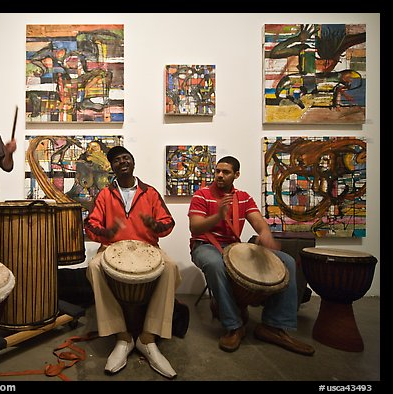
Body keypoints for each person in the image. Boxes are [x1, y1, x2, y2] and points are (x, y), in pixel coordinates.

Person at [188, 156, 315, 356]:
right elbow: (195, 227)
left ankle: (273, 325)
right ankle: (233, 326)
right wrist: (218, 216)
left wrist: (265, 235)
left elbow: (259, 223)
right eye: (218, 171)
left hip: (234, 246)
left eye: (226, 172)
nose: (220, 175)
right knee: (215, 264)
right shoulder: (201, 195)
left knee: (287, 261)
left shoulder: (244, 197)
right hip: (204, 245)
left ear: (236, 175)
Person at [84, 146, 182, 379]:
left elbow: (168, 221)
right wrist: (107, 232)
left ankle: (148, 337)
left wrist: (157, 227)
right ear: (113, 167)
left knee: (170, 267)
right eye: (117, 160)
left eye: (126, 157)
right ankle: (122, 336)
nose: (122, 161)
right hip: (111, 248)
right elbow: (90, 225)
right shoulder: (105, 194)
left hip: (148, 248)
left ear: (133, 162)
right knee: (94, 268)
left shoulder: (150, 193)